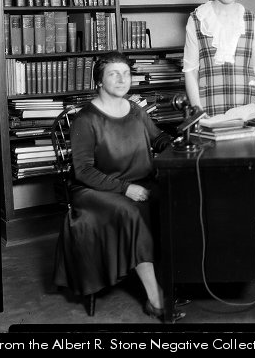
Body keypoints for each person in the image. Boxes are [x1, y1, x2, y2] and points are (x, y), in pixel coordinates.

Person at [53, 52, 185, 322]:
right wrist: (125, 188)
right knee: (131, 212)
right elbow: (83, 171)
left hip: (139, 181)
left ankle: (178, 279)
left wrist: (178, 143)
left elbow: (157, 138)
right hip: (94, 190)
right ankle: (155, 299)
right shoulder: (85, 119)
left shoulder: (135, 110)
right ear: (99, 81)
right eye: (114, 74)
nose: (122, 79)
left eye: (126, 74)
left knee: (179, 198)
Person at [183, 0, 255, 116]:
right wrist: (197, 108)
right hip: (207, 106)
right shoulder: (197, 18)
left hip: (246, 105)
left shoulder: (250, 19)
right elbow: (190, 70)